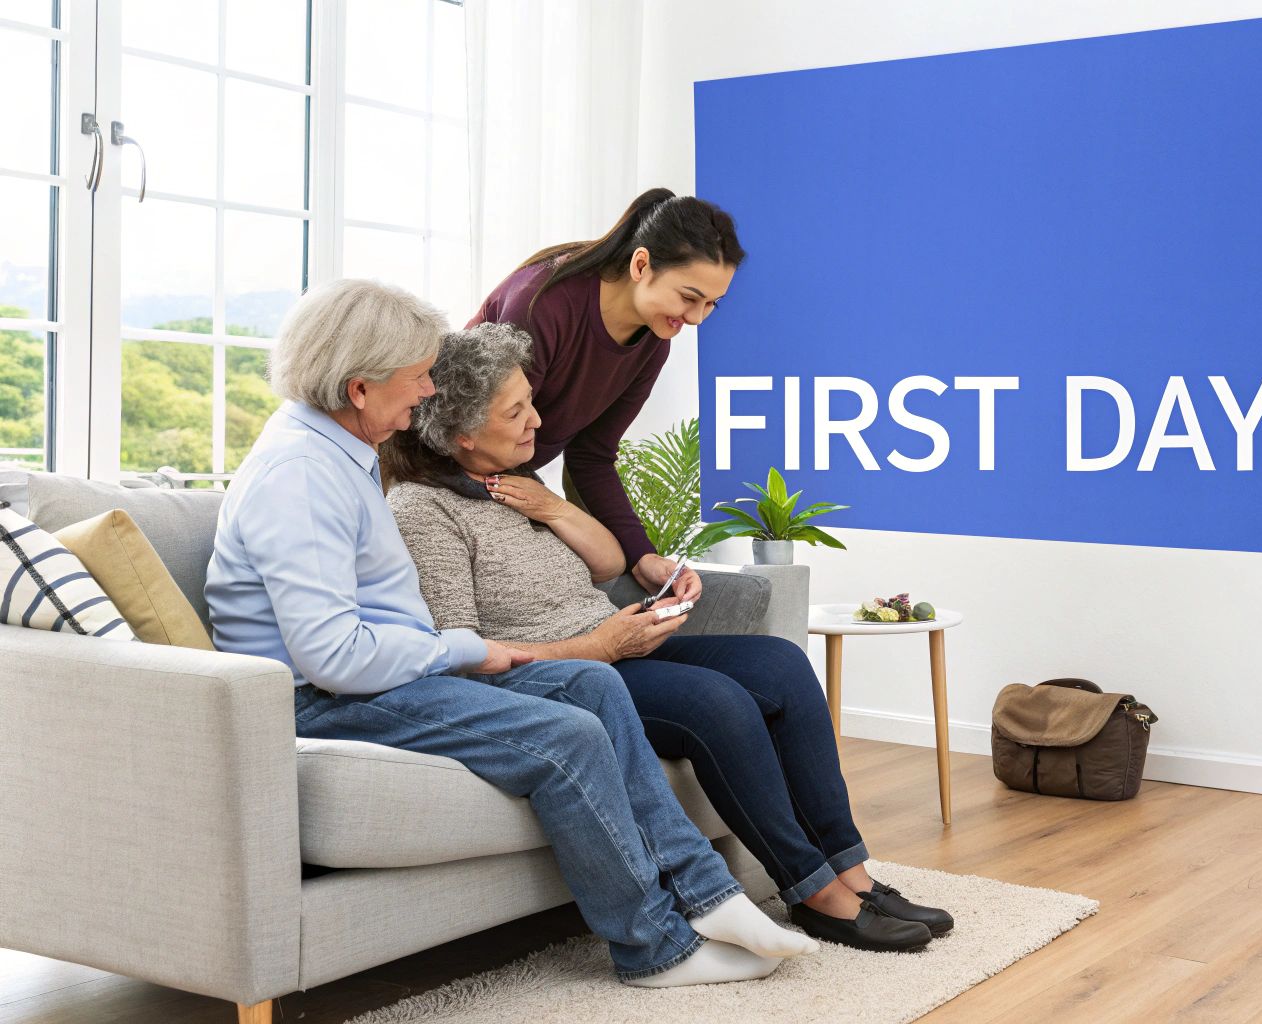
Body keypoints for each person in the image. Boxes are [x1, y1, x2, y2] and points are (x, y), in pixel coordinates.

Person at [205, 279, 817, 987]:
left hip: (378, 675)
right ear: (359, 388)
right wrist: (465, 650)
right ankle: (654, 949)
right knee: (569, 737)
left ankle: (709, 894)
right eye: (415, 377)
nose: (426, 389)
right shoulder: (301, 476)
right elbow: (332, 655)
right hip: (323, 695)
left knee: (591, 683)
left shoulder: (334, 449)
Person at [380, 322, 953, 952]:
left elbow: (604, 566)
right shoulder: (422, 510)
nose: (538, 421)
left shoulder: (520, 484)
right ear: (460, 433)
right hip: (561, 676)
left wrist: (554, 509)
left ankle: (853, 872)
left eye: (531, 402)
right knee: (717, 703)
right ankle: (815, 893)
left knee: (781, 663)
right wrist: (599, 648)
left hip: (615, 645)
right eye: (516, 411)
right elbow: (459, 653)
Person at [468, 187, 740, 613]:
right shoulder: (544, 303)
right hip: (453, 474)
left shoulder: (653, 342)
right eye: (689, 297)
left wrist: (642, 554)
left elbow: (591, 455)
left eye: (712, 305)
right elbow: (490, 435)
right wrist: (551, 512)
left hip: (505, 481)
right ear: (641, 264)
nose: (696, 318)